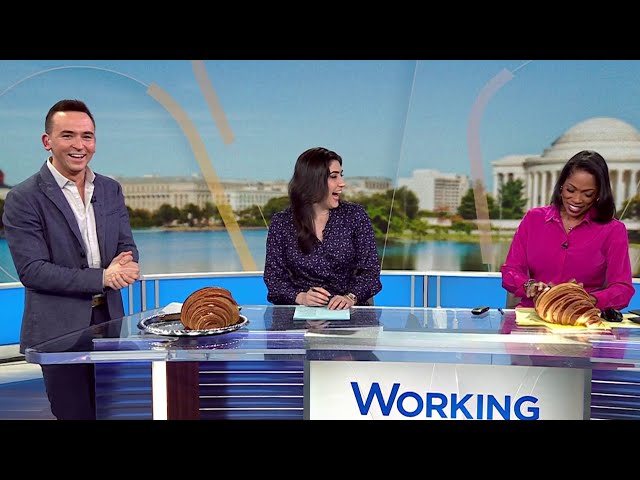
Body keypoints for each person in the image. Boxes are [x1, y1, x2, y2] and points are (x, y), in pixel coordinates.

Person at [2, 99, 140, 420]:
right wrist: (104, 277)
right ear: (47, 141)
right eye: (68, 135)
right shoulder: (24, 198)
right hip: (58, 332)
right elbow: (33, 271)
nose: (80, 145)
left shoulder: (110, 189)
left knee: (111, 411)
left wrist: (128, 266)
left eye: (87, 136)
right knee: (74, 414)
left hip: (110, 324)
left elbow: (127, 246)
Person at [501, 149, 635, 310]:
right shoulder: (533, 219)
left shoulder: (613, 230)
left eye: (587, 194)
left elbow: (622, 290)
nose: (577, 200)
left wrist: (588, 299)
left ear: (598, 194)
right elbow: (510, 272)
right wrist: (529, 285)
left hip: (582, 319)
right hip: (532, 314)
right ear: (561, 186)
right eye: (570, 190)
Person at [263, 146, 382, 310]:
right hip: (300, 316)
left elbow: (370, 273)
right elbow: (274, 278)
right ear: (312, 181)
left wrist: (349, 298)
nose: (342, 183)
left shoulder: (355, 216)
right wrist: (302, 297)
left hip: (351, 316)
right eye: (334, 176)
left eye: (341, 175)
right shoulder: (282, 223)